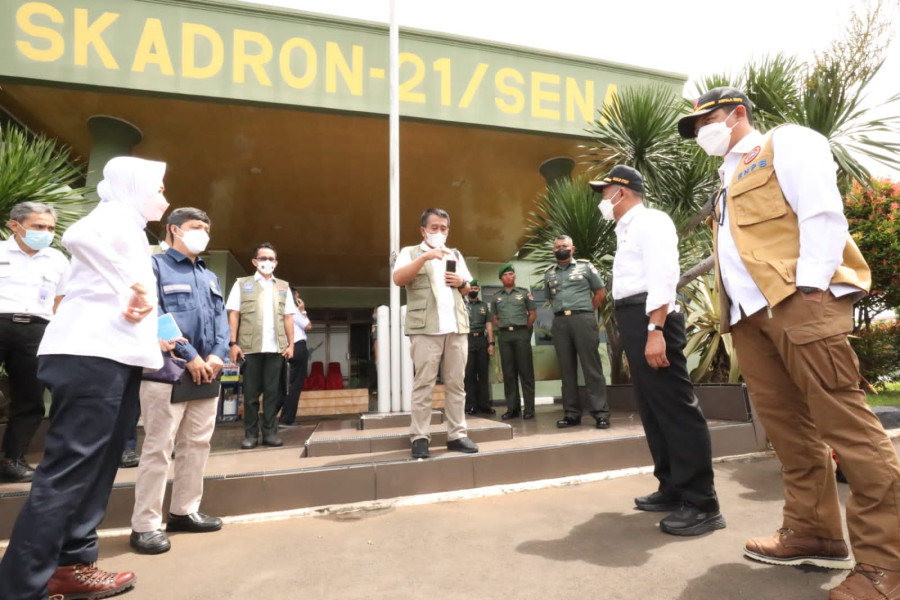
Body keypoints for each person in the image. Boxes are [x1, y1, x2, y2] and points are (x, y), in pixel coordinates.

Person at [678, 87, 900, 598]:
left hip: (797, 301)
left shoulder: (785, 142)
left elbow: (822, 213)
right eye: (692, 129)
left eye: (704, 121)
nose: (699, 133)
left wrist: (810, 288)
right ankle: (813, 532)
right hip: (749, 317)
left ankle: (885, 566)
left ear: (737, 113)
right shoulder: (725, 180)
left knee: (849, 429)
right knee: (790, 433)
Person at [0, 156, 168, 600]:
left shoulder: (129, 225)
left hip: (113, 358)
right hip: (91, 356)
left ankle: (71, 565)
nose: (164, 196)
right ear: (132, 187)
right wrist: (130, 284)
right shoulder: (113, 214)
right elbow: (75, 235)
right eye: (159, 187)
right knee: (70, 472)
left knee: (95, 470)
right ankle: (20, 588)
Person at [589, 165, 725, 536]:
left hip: (653, 318)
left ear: (623, 190)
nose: (603, 198)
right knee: (653, 409)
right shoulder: (627, 228)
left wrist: (655, 329)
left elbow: (664, 275)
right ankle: (672, 486)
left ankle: (702, 503)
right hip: (636, 317)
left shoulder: (652, 221)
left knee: (676, 409)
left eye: (605, 191)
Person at [129, 207, 229, 555]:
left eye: (206, 227)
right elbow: (156, 315)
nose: (202, 232)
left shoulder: (210, 276)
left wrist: (217, 356)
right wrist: (193, 357)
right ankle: (145, 525)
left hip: (207, 373)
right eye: (194, 227)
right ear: (173, 230)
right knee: (158, 447)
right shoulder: (154, 266)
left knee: (197, 445)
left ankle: (184, 511)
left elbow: (221, 323)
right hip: (168, 371)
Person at [392, 208, 479, 459]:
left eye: (443, 228)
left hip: (456, 327)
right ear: (423, 230)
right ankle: (419, 436)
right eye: (434, 228)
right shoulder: (409, 252)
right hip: (425, 329)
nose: (439, 232)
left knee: (456, 384)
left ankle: (457, 435)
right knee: (424, 384)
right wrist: (425, 257)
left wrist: (461, 284)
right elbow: (398, 279)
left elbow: (469, 289)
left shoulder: (455, 254)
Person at [0, 202, 69, 483]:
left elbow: (60, 300)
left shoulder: (58, 260)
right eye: (38, 226)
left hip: (37, 331)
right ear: (14, 225)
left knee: (30, 399)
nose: (46, 232)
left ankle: (12, 461)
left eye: (50, 228)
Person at [226, 243, 296, 450]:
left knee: (273, 394)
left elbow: (288, 318)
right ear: (255, 262)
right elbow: (234, 314)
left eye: (271, 259)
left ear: (276, 263)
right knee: (250, 395)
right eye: (263, 258)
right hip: (249, 348)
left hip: (276, 349)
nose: (267, 262)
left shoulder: (283, 286)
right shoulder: (242, 284)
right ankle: (250, 434)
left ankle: (270, 433)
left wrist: (291, 344)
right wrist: (232, 343)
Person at [543, 235, 610, 429]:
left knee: (591, 368)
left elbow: (600, 293)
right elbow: (550, 299)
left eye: (565, 246)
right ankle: (571, 413)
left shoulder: (585, 267)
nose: (561, 249)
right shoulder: (549, 273)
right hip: (561, 322)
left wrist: (586, 310)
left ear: (572, 249)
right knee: (567, 370)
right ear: (553, 251)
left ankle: (601, 413)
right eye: (557, 247)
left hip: (583, 319)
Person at [491, 264, 537, 420]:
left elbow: (532, 314)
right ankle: (513, 409)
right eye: (505, 275)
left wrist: (524, 330)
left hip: (521, 334)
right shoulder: (496, 296)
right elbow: (495, 318)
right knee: (509, 374)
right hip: (504, 337)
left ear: (515, 276)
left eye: (511, 274)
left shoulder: (524, 293)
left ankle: (529, 409)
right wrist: (504, 327)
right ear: (501, 278)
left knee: (526, 373)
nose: (508, 277)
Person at [277, 289, 312, 427]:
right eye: (297, 296)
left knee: (286, 384)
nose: (299, 298)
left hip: (287, 348)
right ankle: (287, 419)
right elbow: (308, 325)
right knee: (294, 385)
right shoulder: (293, 310)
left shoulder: (279, 310)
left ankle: (269, 415)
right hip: (297, 347)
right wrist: (303, 310)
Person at [464, 279, 495, 416]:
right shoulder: (462, 305)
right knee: (469, 374)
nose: (474, 290)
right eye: (472, 287)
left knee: (483, 375)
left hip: (482, 341)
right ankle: (470, 405)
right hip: (467, 340)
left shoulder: (484, 306)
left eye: (476, 288)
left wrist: (491, 343)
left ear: (479, 290)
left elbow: (489, 325)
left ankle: (485, 405)